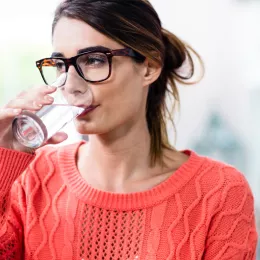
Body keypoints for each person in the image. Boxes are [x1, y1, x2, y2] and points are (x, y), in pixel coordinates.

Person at [0, 0, 258, 259]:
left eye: (94, 60)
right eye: (60, 65)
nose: (71, 86)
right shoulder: (31, 176)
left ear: (149, 67)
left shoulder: (220, 191)